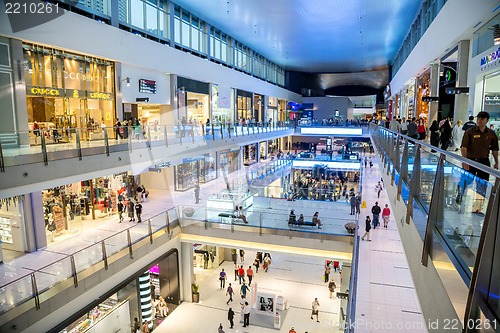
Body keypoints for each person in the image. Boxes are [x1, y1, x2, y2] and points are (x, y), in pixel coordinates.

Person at [461, 111, 499, 208]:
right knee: (466, 181)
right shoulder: (470, 131)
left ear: (486, 120)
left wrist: (496, 162)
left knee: (482, 184)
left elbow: (494, 149)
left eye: (482, 119)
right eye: (478, 119)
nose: (479, 121)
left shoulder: (491, 134)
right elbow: (464, 147)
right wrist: (464, 161)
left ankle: (478, 206)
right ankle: (460, 196)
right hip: (471, 160)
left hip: (484, 161)